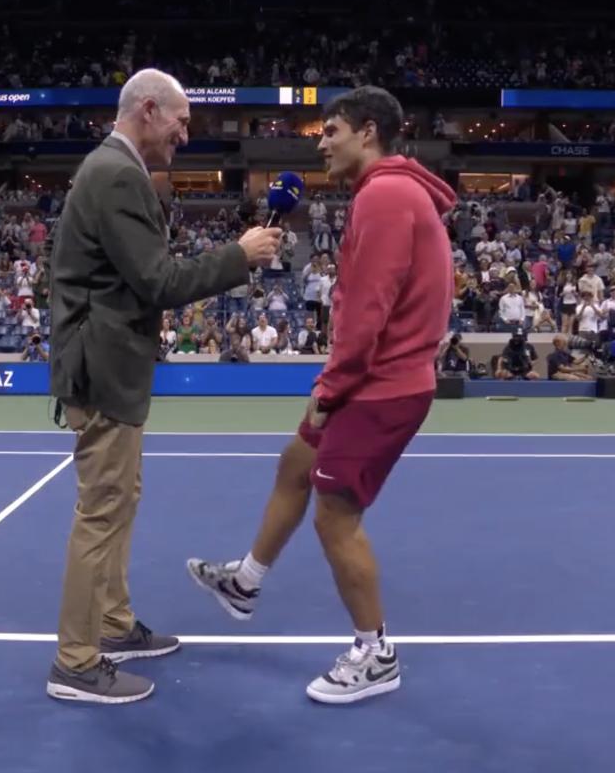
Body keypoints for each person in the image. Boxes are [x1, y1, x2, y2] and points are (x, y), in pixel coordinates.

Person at [186, 86, 455, 704]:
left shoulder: (386, 196)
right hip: (369, 377)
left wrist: (333, 386)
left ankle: (374, 653)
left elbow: (368, 309)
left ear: (367, 132)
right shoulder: (389, 191)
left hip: (378, 386)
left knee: (336, 518)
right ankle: (245, 584)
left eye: (330, 130)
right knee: (294, 464)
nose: (323, 143)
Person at [45, 68, 282, 705]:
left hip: (108, 363)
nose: (185, 133)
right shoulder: (118, 174)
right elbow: (159, 282)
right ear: (147, 110)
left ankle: (114, 626)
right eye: (180, 120)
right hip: (103, 366)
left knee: (119, 499)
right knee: (102, 511)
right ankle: (75, 661)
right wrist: (239, 255)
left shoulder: (113, 169)